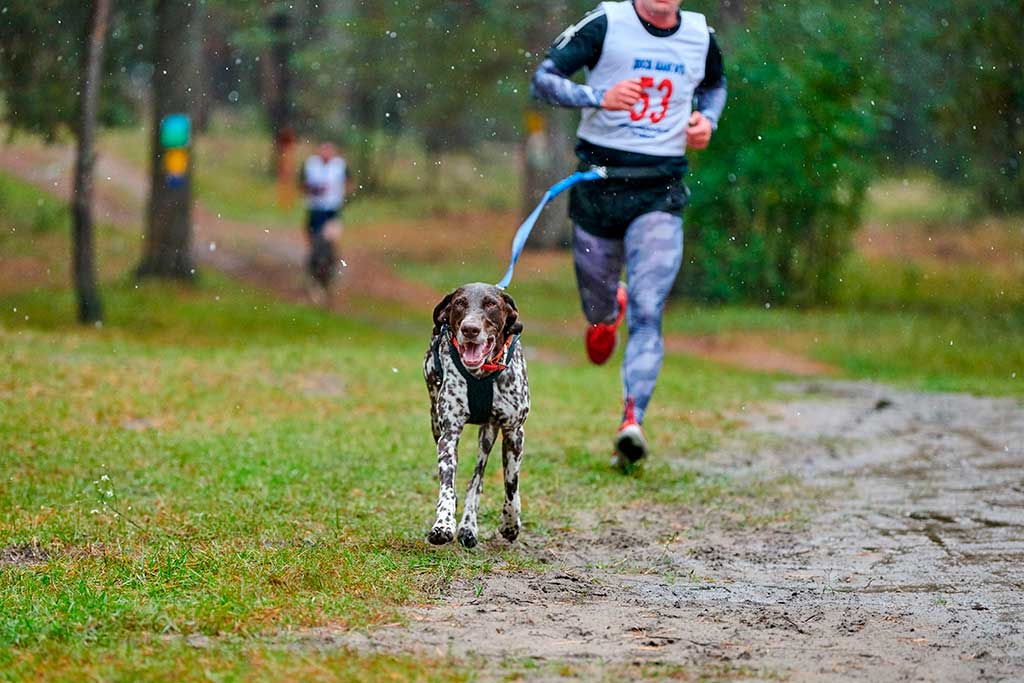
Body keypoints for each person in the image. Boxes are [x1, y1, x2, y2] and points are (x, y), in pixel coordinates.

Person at [531, 0, 727, 468]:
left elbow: (716, 84)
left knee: (648, 305)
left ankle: (631, 421)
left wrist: (707, 120)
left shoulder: (700, 35)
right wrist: (598, 95)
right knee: (599, 312)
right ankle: (604, 315)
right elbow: (544, 79)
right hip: (598, 186)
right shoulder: (607, 23)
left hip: (659, 189)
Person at [301, 142, 348, 299]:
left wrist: (342, 195)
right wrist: (311, 189)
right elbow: (302, 184)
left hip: (331, 211)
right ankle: (315, 276)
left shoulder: (339, 166)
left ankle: (329, 271)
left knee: (328, 243)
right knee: (315, 244)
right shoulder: (311, 165)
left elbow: (350, 183)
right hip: (315, 210)